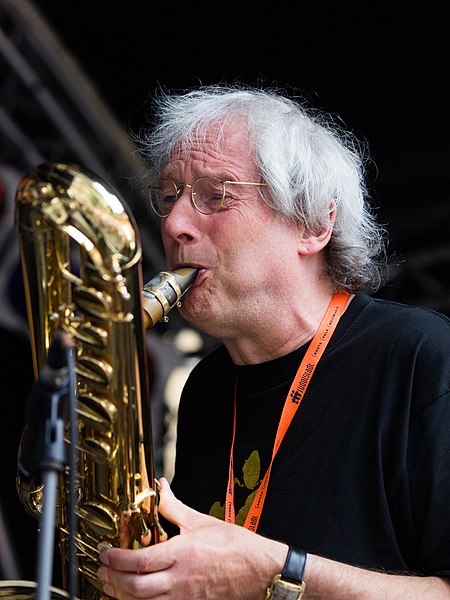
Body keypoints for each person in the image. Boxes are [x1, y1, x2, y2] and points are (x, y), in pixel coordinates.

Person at [96, 85, 450, 599]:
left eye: (216, 194)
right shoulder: (205, 388)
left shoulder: (423, 358)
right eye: (169, 196)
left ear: (311, 223)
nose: (173, 225)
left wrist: (276, 573)